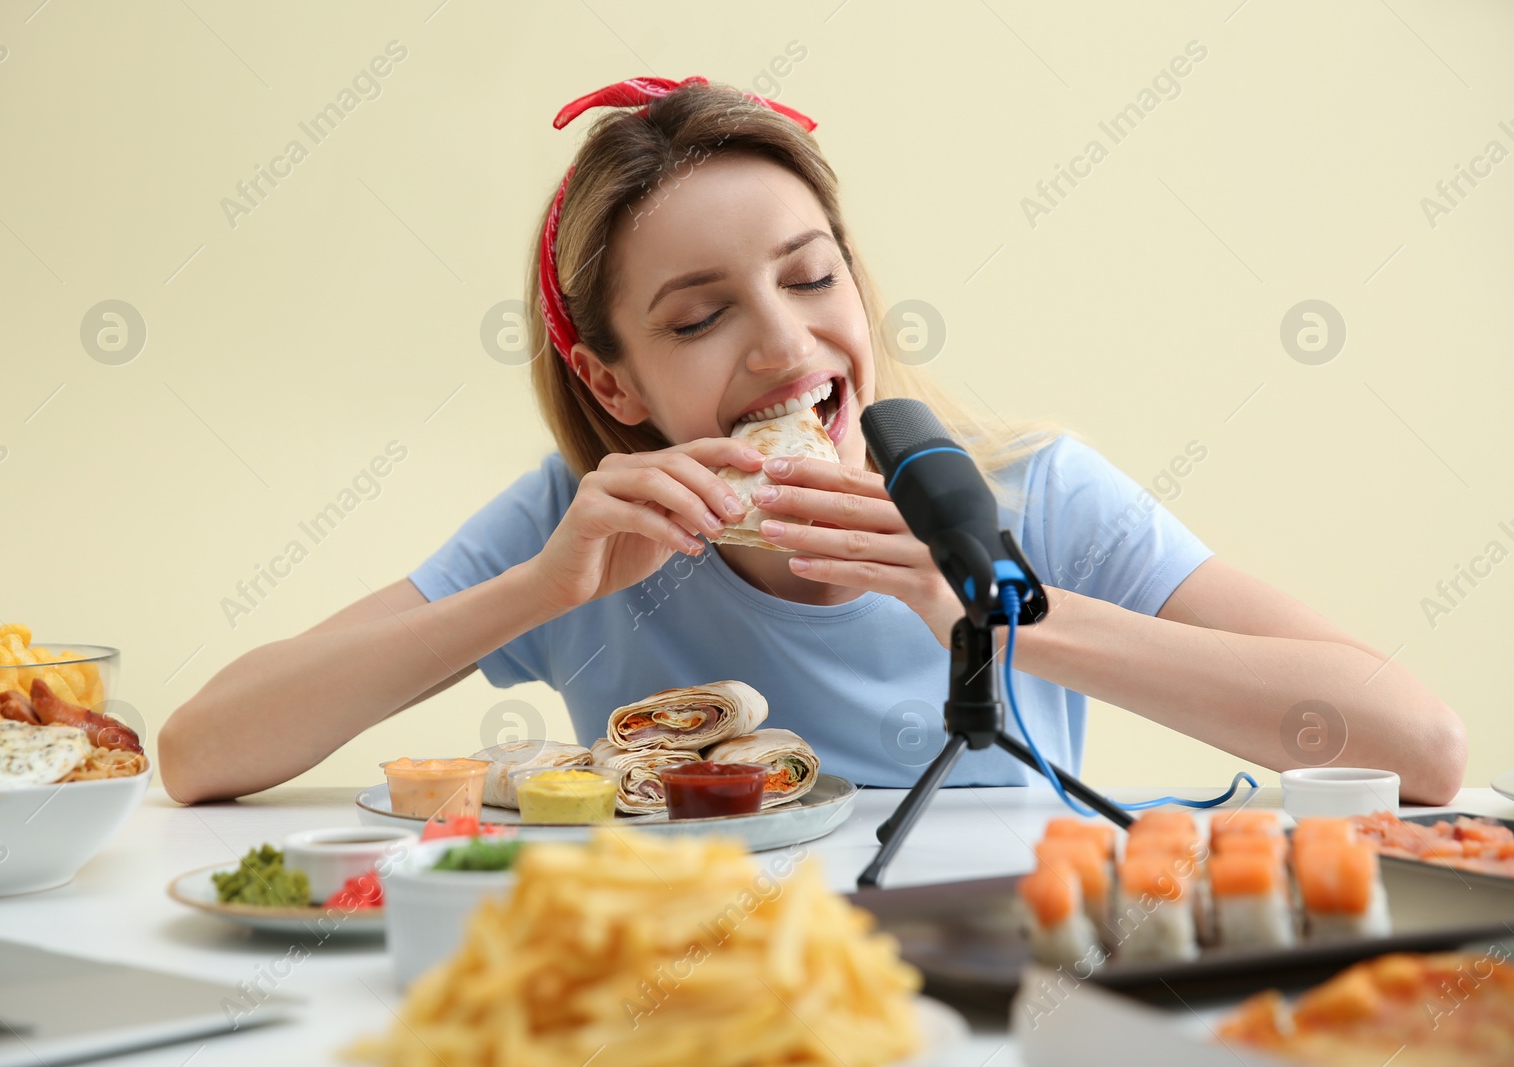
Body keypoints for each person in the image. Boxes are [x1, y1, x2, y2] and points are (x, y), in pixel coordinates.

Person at [159, 77, 1465, 805]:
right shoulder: (584, 526)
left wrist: (991, 609)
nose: (785, 344)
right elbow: (204, 750)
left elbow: (1418, 744)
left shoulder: (1024, 489)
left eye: (809, 275)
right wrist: (538, 590)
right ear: (614, 386)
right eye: (701, 317)